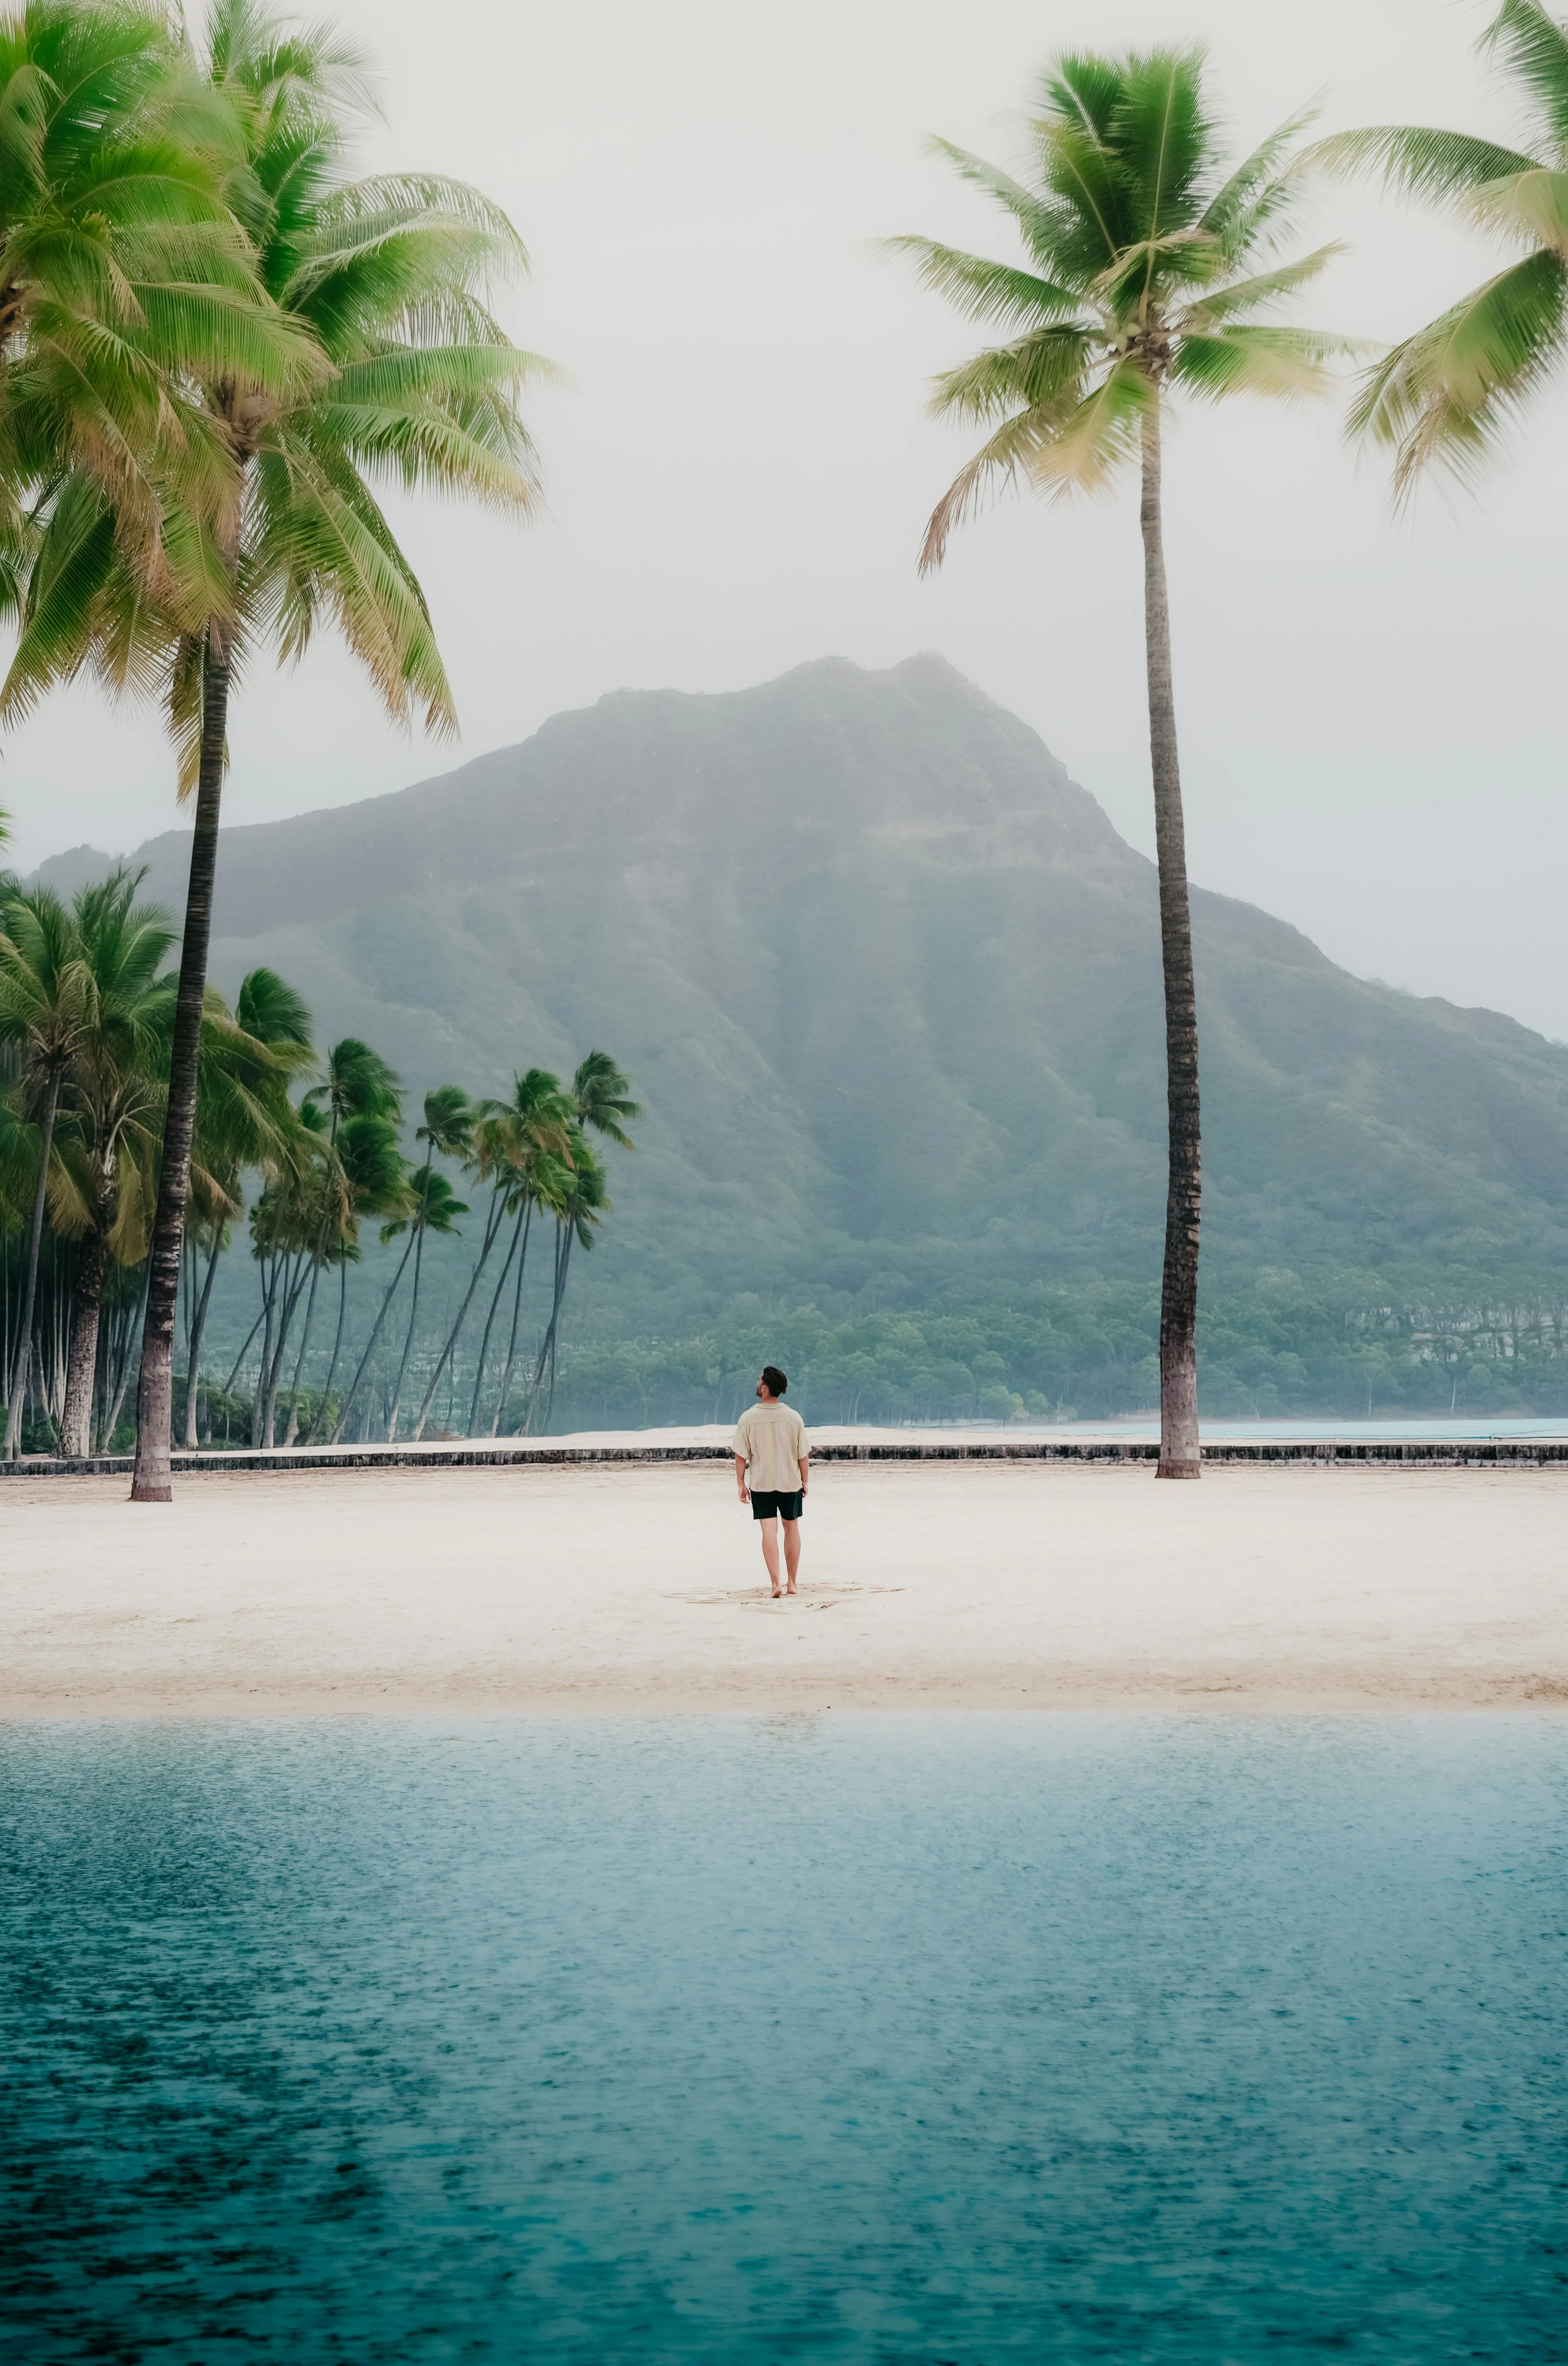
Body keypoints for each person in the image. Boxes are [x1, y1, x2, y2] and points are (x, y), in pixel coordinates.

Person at [731, 1366, 809, 1599]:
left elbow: (740, 1455)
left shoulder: (748, 1418)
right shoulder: (794, 1417)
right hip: (790, 1482)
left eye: (759, 1381)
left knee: (769, 1531)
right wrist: (806, 1481)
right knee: (791, 1527)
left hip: (762, 1483)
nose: (757, 1384)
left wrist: (740, 1483)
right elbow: (802, 1454)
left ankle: (775, 1583)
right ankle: (792, 1583)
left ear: (765, 1387)